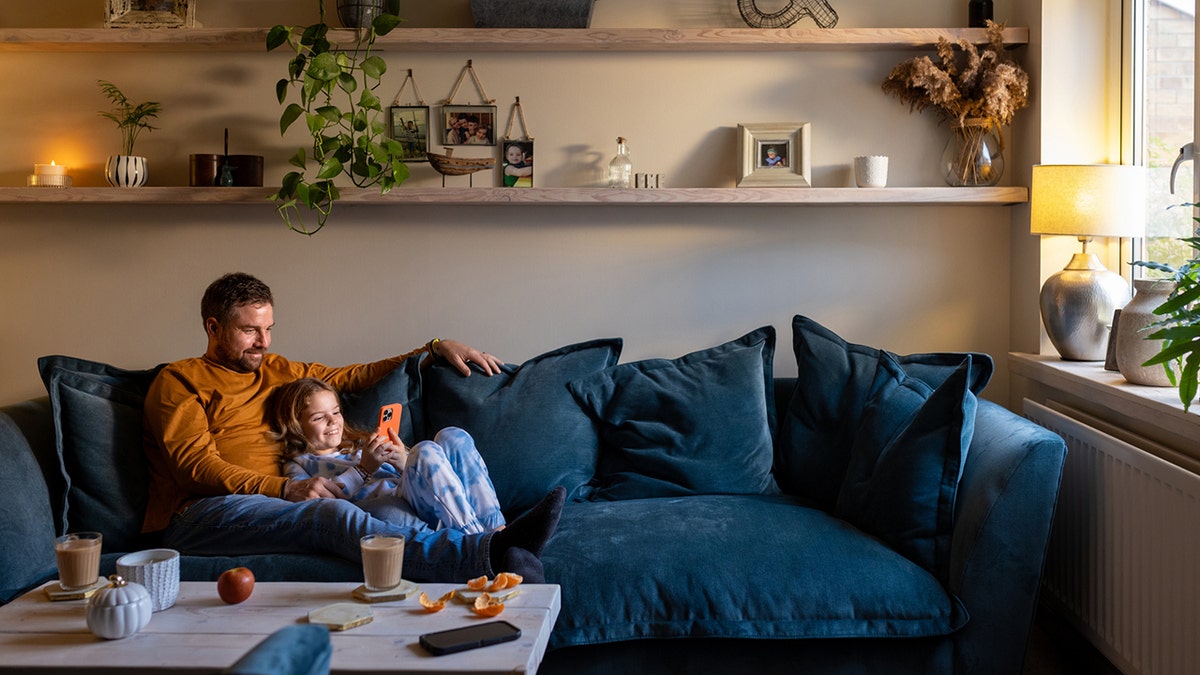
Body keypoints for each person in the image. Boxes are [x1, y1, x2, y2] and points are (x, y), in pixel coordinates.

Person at [142, 272, 563, 583]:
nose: (263, 342)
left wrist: (432, 349)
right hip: (204, 513)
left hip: (283, 500)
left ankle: (497, 536)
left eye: (268, 329)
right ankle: (484, 556)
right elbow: (194, 467)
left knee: (417, 473)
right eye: (250, 331)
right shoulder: (180, 381)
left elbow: (350, 376)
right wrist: (285, 489)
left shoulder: (278, 369)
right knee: (330, 513)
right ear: (213, 327)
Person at [270, 377, 506, 535]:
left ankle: (499, 530)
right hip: (389, 503)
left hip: (415, 490)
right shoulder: (300, 464)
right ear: (296, 425)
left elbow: (426, 475)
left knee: (451, 436)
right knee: (424, 449)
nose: (333, 421)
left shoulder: (359, 444)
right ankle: (478, 541)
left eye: (336, 412)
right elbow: (315, 503)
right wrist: (363, 470)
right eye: (319, 417)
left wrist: (402, 460)